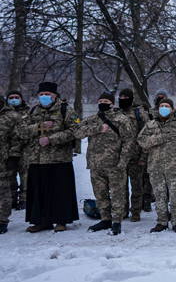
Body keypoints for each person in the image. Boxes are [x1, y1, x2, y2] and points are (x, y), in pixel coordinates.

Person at [19, 82, 80, 232]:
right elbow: (21, 131)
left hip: (59, 159)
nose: (43, 97)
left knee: (60, 191)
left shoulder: (65, 109)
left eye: (47, 94)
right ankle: (41, 221)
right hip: (37, 159)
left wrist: (52, 139)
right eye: (41, 95)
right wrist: (39, 127)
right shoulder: (33, 110)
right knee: (39, 192)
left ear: (54, 95)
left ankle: (61, 220)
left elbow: (76, 130)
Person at [75, 92, 135, 235]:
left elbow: (129, 141)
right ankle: (105, 219)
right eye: (100, 100)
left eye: (105, 101)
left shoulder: (121, 119)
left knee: (117, 195)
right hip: (96, 164)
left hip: (115, 164)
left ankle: (117, 222)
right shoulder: (92, 119)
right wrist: (96, 129)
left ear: (112, 104)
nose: (102, 103)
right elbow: (76, 132)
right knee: (100, 194)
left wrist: (123, 161)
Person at [138, 97, 176, 233]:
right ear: (157, 109)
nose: (164, 108)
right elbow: (142, 141)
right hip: (155, 167)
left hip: (174, 167)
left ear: (172, 109)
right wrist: (159, 138)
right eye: (162, 106)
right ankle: (161, 221)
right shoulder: (150, 125)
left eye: (167, 106)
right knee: (160, 196)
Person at [118, 88, 149, 221]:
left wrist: (143, 156)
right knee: (120, 185)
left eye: (126, 97)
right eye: (121, 97)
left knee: (136, 185)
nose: (123, 99)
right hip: (119, 156)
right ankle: (123, 210)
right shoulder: (116, 113)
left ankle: (136, 211)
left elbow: (146, 134)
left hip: (135, 156)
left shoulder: (139, 113)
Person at [0, 95, 23, 234]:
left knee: (3, 192)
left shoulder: (12, 116)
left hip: (3, 160)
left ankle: (2, 221)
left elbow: (17, 138)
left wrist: (13, 156)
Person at [4, 90, 29, 210]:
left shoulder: (29, 112)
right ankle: (12, 198)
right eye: (11, 97)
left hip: (26, 149)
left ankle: (24, 199)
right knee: (9, 175)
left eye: (16, 97)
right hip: (8, 149)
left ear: (21, 99)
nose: (13, 99)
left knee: (26, 175)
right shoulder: (4, 113)